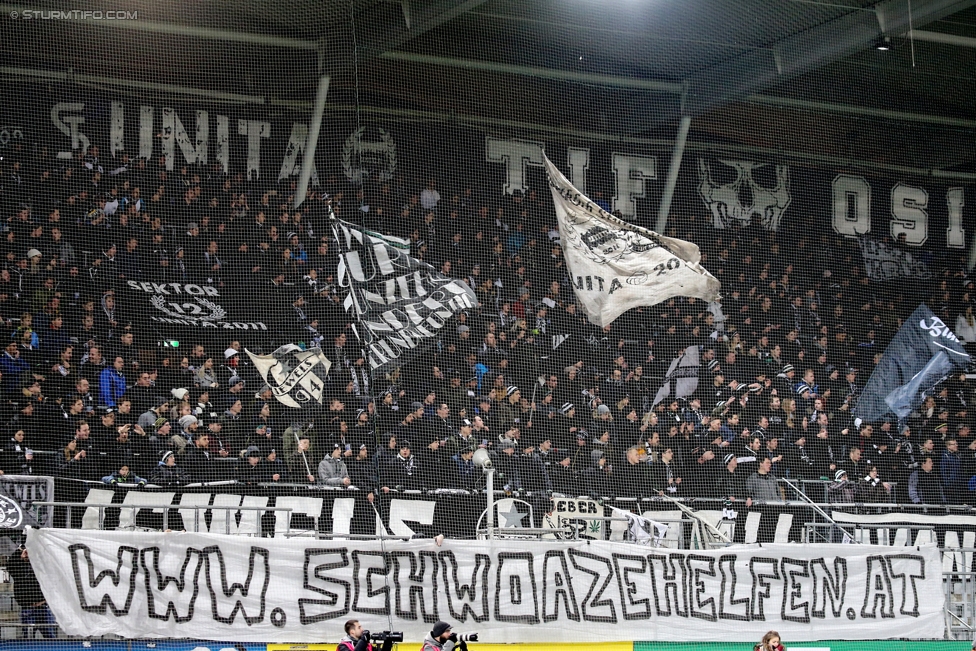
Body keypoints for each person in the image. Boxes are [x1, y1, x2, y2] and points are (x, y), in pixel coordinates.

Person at [8, 545, 57, 639]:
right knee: (28, 637)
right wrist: (20, 551)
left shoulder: (40, 568)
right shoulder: (18, 570)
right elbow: (10, 565)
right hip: (27, 608)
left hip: (42, 607)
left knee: (50, 636)